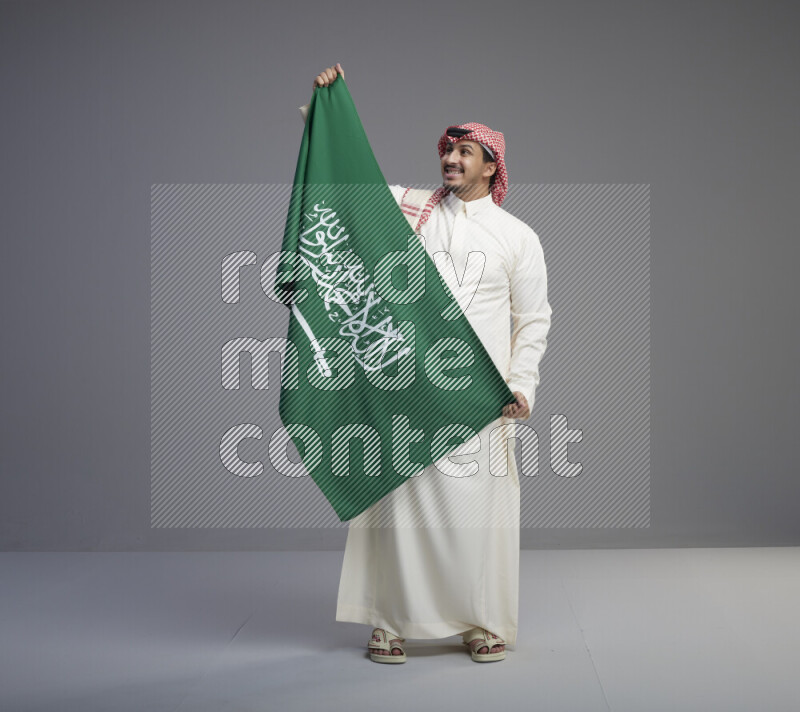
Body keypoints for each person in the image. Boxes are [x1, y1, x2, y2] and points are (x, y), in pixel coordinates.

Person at [297, 64, 552, 663]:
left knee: (476, 513)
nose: (451, 160)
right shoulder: (409, 211)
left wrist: (522, 382)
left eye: (465, 152)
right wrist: (325, 111)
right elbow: (345, 182)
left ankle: (479, 621)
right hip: (404, 387)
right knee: (399, 508)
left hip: (477, 396)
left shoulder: (518, 237)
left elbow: (533, 319)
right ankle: (390, 622)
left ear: (491, 166)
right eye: (447, 151)